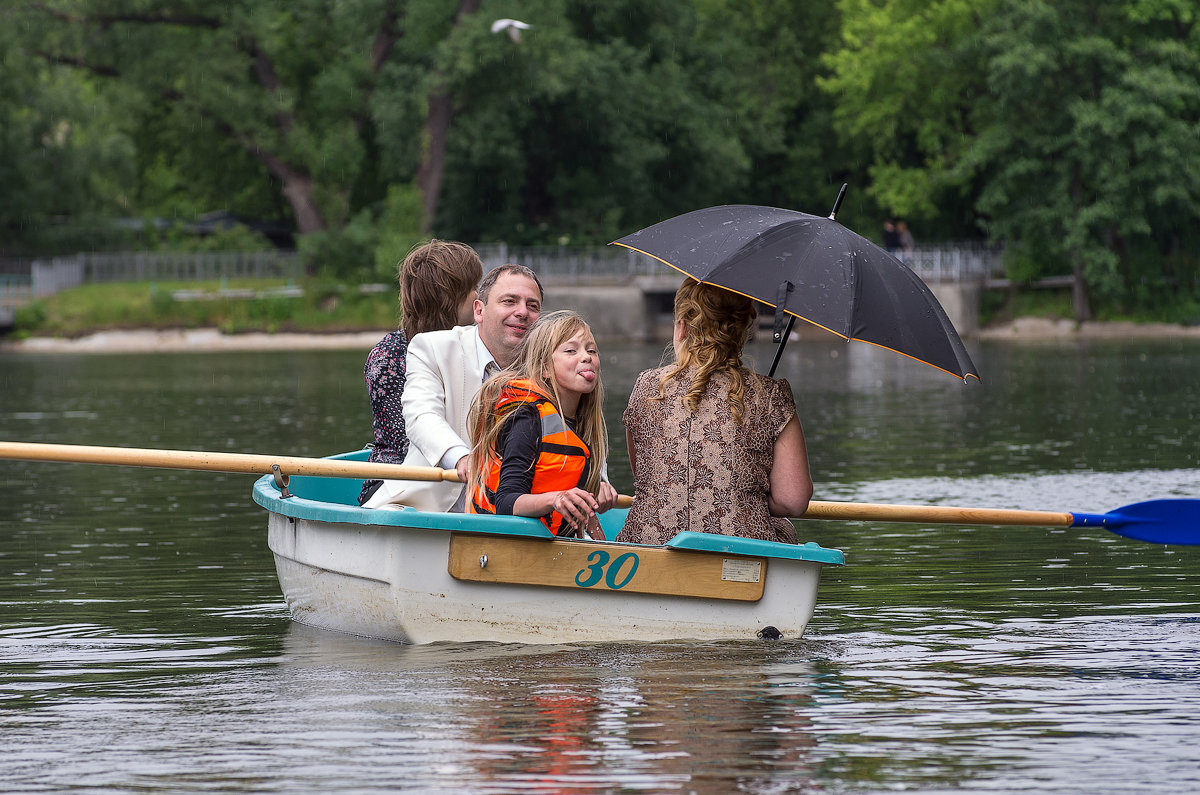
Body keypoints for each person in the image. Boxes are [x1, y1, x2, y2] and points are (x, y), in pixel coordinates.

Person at [617, 278, 813, 545]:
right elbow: (792, 500)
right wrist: (747, 496)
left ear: (682, 327)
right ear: (744, 330)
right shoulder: (770, 394)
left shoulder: (646, 386)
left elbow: (645, 477)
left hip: (649, 548)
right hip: (739, 554)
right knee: (785, 529)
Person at [361, 263, 544, 511]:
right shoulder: (433, 347)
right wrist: (460, 458)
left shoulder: (550, 365)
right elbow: (421, 415)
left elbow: (577, 429)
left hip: (518, 512)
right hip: (427, 506)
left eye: (532, 306)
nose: (522, 312)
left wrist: (598, 480)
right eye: (509, 301)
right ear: (479, 310)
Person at [467, 310, 618, 538]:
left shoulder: (585, 423)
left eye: (591, 350)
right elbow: (507, 502)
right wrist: (556, 498)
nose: (586, 357)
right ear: (545, 368)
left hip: (553, 543)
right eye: (570, 350)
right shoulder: (527, 418)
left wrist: (594, 490)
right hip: (506, 545)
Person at [358, 240, 482, 505]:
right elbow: (411, 441)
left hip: (465, 478)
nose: (479, 295)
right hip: (399, 483)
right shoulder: (389, 356)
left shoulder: (479, 346)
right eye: (473, 287)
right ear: (449, 296)